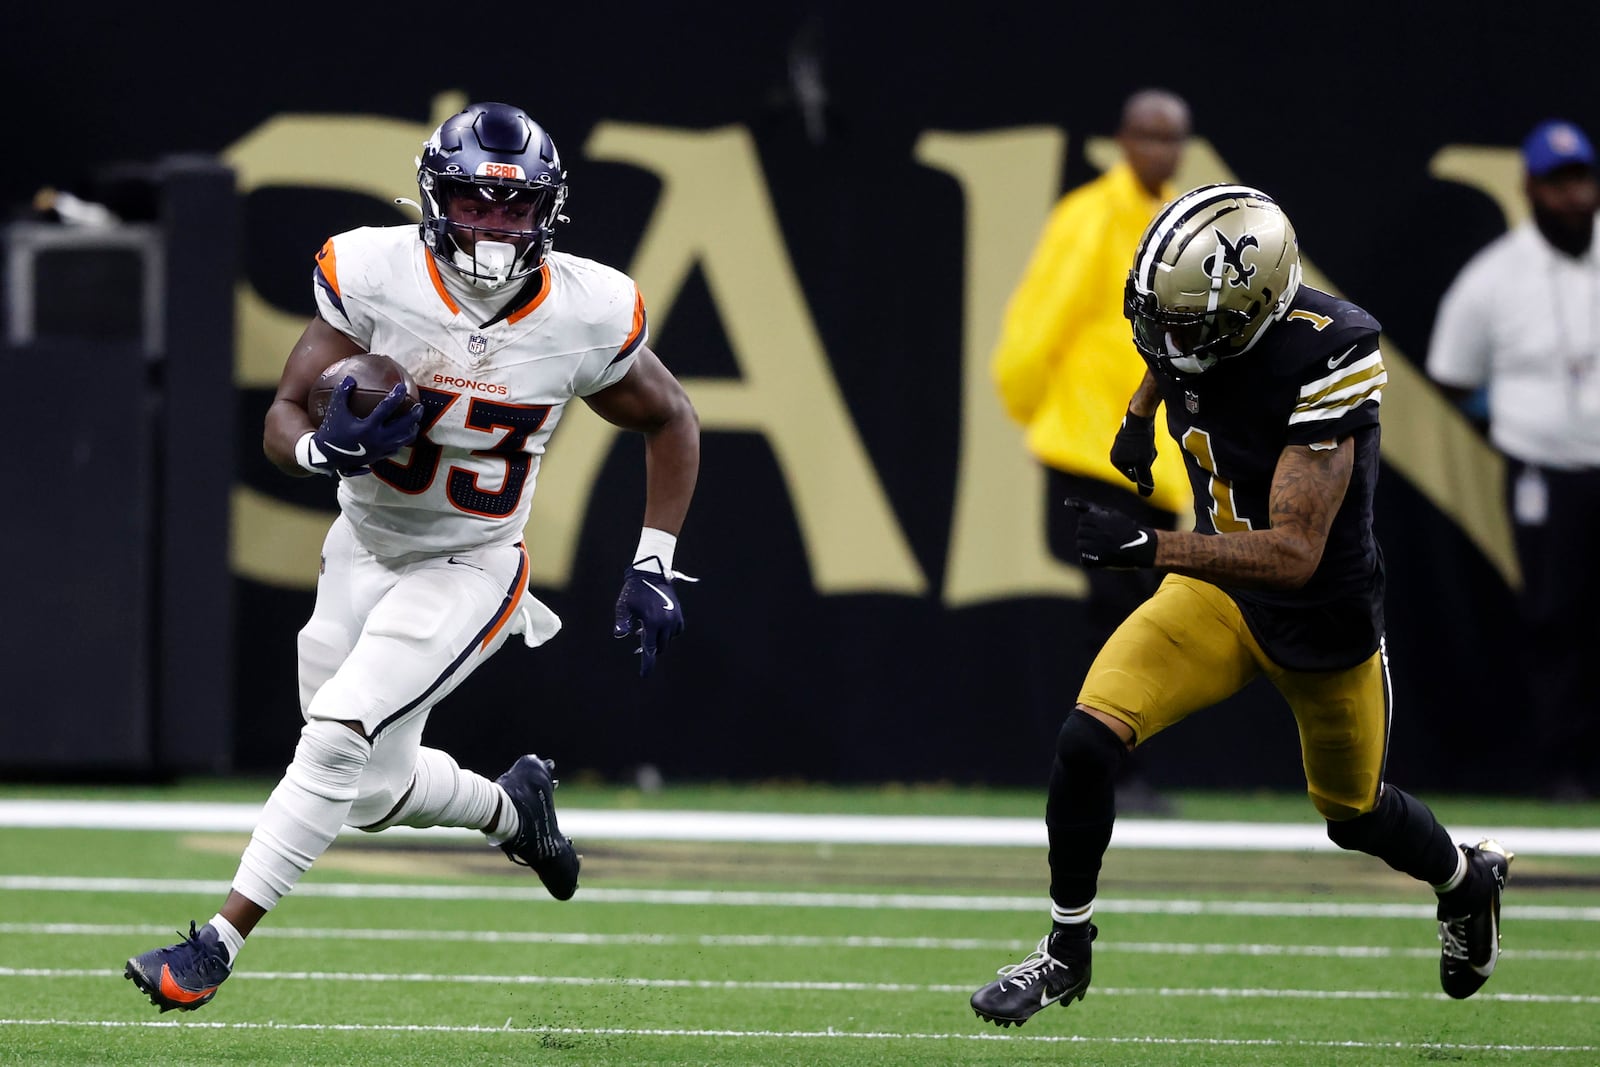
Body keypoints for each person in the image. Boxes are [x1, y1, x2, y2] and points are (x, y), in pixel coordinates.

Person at [124, 101, 701, 1013]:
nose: (496, 225)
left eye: (517, 209)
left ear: (548, 211)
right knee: (365, 788)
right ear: (436, 199)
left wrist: (654, 559)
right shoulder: (374, 271)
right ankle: (515, 810)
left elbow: (670, 416)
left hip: (471, 563)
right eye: (477, 201)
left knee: (338, 732)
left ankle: (214, 943)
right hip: (361, 545)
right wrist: (324, 449)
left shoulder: (587, 309)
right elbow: (283, 413)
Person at [970, 184, 1512, 1028]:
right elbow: (1171, 342)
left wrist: (1151, 546)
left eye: (1184, 326)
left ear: (1247, 316)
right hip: (1219, 593)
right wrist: (1139, 411)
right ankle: (1064, 949)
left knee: (1355, 814)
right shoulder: (1201, 324)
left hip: (1316, 621)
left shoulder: (1335, 352)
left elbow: (1294, 553)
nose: (1162, 338)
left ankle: (1466, 880)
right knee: (1087, 740)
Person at [990, 88, 1196, 812]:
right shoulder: (1089, 216)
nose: (1159, 150)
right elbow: (1035, 322)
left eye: (1172, 138)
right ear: (1122, 139)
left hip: (1151, 460)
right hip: (1088, 448)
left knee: (1139, 615)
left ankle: (1114, 767)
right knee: (1115, 611)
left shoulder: (1179, 224)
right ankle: (1109, 772)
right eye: (1148, 135)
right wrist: (1029, 406)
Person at [1425, 118, 1600, 802]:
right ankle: (1561, 768)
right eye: (1558, 185)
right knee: (1555, 617)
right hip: (1543, 470)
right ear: (1529, 189)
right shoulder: (1495, 275)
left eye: (1581, 180)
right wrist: (1505, 421)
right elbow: (1451, 372)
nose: (1574, 197)